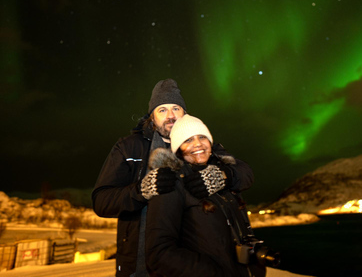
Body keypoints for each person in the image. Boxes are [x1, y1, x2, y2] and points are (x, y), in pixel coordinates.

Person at [92, 79, 254, 277]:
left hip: (195, 262)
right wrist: (141, 191)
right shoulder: (129, 147)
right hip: (140, 263)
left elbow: (245, 172)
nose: (171, 116)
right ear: (152, 116)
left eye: (176, 108)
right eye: (162, 110)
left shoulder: (199, 142)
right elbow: (101, 201)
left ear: (185, 113)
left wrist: (223, 176)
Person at [146, 115, 276, 277]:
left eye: (202, 137)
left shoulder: (220, 175)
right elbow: (158, 254)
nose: (198, 144)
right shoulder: (171, 183)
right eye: (187, 140)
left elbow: (245, 174)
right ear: (178, 149)